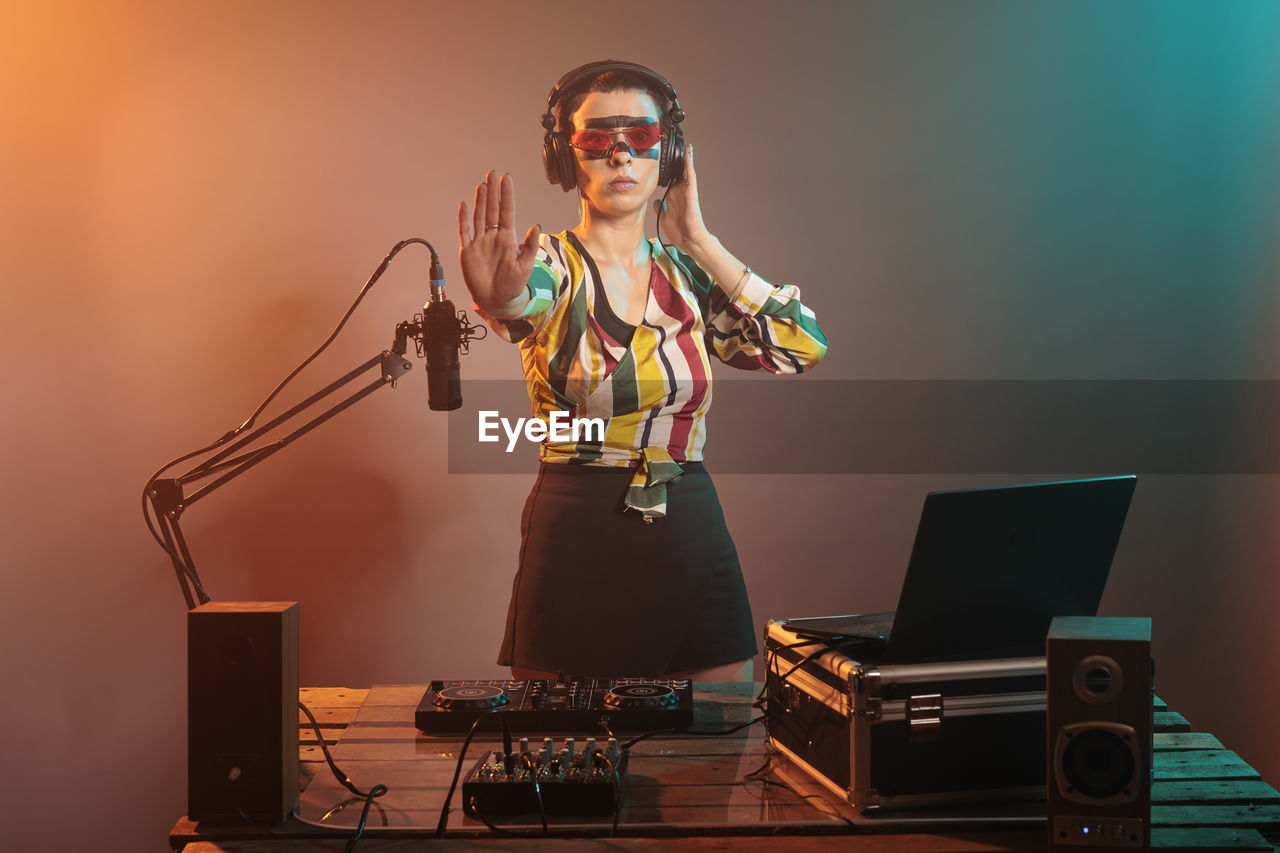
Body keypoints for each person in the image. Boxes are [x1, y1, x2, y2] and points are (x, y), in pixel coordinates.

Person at [456, 60, 827, 683]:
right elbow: (521, 302)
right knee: (565, 747)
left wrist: (699, 238)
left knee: (722, 735)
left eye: (643, 137)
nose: (621, 154)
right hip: (579, 524)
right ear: (567, 157)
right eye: (598, 139)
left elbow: (800, 346)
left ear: (671, 154)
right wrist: (501, 299)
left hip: (688, 517)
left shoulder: (689, 276)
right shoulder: (547, 264)